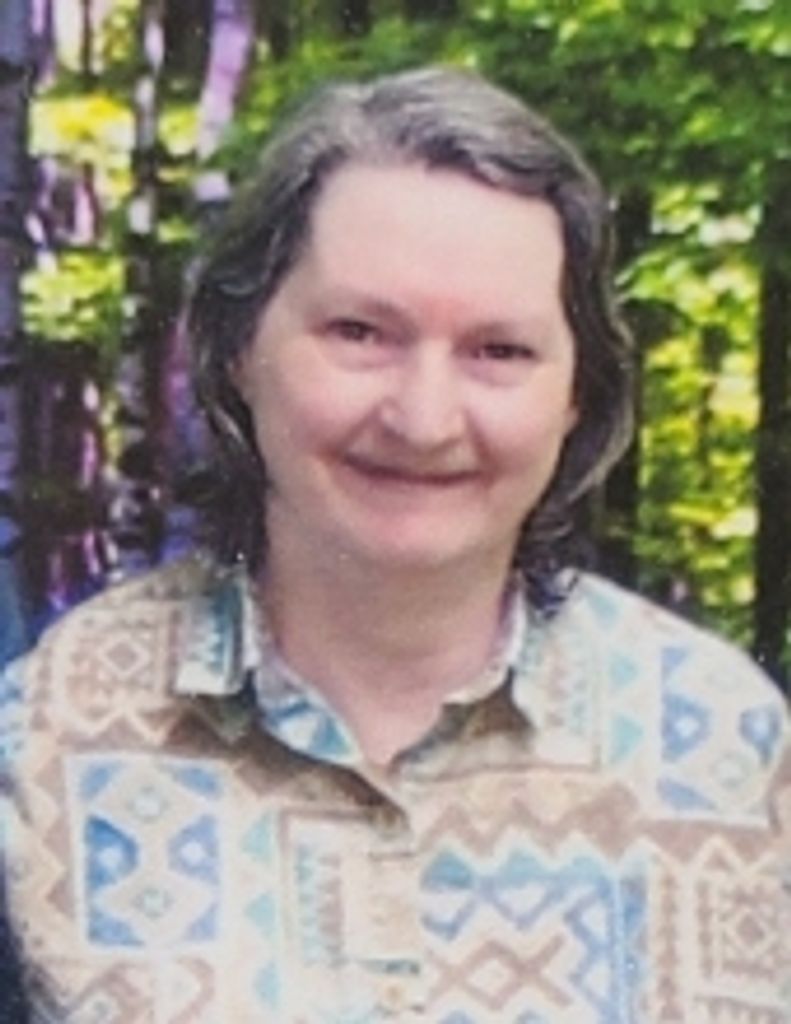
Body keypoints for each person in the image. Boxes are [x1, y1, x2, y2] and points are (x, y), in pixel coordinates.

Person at [1, 67, 789, 1022]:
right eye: (360, 332)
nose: (423, 419)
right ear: (239, 349)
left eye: (499, 351)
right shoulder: (43, 739)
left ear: (576, 393)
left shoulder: (728, 747)